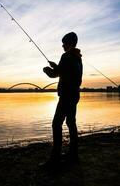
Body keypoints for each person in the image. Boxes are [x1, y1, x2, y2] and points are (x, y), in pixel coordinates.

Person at [41, 32, 83, 167]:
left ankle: (55, 158)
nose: (62, 46)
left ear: (69, 43)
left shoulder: (66, 56)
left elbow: (56, 74)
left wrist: (47, 70)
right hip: (75, 95)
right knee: (71, 123)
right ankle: (73, 155)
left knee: (56, 124)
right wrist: (56, 66)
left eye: (64, 43)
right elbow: (65, 72)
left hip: (66, 95)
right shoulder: (78, 58)